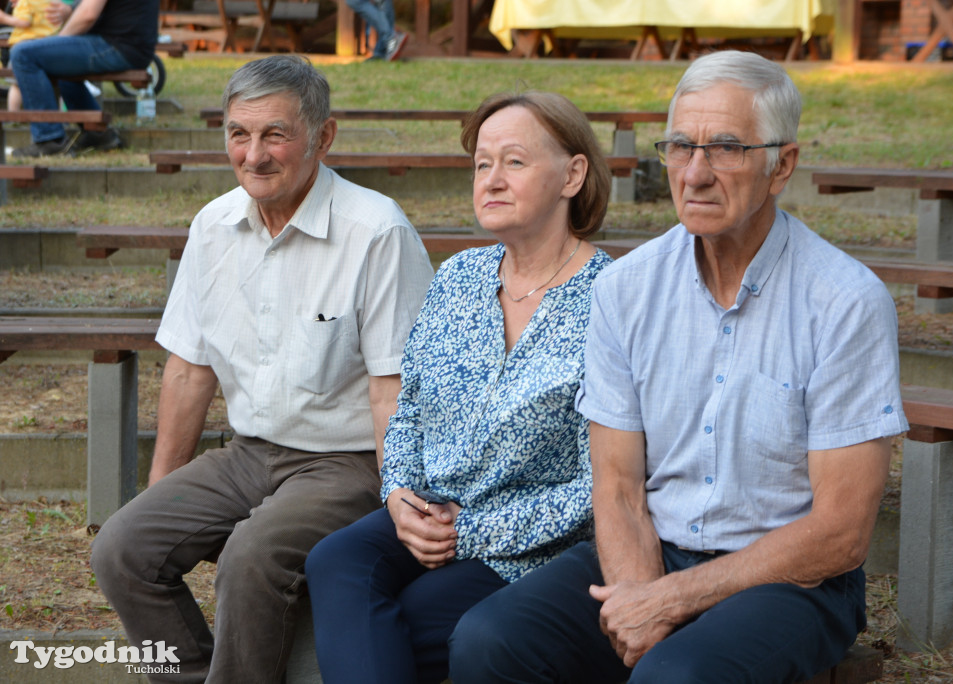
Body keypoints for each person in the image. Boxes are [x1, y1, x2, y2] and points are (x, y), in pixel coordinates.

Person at [449, 50, 909, 684]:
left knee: (677, 677)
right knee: (487, 639)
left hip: (790, 580)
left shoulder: (845, 301)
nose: (695, 173)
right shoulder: (625, 289)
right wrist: (642, 599)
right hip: (652, 550)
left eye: (724, 148)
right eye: (679, 147)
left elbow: (840, 532)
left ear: (783, 166)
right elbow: (615, 485)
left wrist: (671, 601)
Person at [90, 55, 434, 683]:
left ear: (322, 137)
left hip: (346, 463)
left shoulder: (376, 230)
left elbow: (395, 390)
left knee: (250, 558)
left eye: (276, 134)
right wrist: (163, 486)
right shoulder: (213, 225)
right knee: (122, 548)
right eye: (238, 134)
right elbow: (190, 369)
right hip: (248, 454)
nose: (253, 155)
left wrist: (396, 502)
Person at [305, 90, 614, 684]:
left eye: (515, 162)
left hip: (531, 542)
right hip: (430, 510)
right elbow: (410, 410)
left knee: (409, 621)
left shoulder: (612, 299)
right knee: (335, 559)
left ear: (573, 175)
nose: (492, 179)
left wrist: (468, 533)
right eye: (481, 164)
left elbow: (599, 485)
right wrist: (398, 495)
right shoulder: (458, 277)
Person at [10, 0, 159, 157]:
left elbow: (88, 15)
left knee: (22, 54)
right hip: (132, 47)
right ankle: (98, 134)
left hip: (116, 46)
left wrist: (57, 43)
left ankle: (50, 141)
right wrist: (70, 9)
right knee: (60, 63)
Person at [0, 0, 61, 110]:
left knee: (16, 85)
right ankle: (54, 116)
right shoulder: (48, 2)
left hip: (24, 47)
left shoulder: (26, 2)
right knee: (51, 84)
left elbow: (24, 22)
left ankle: (13, 116)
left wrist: (4, 18)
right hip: (49, 45)